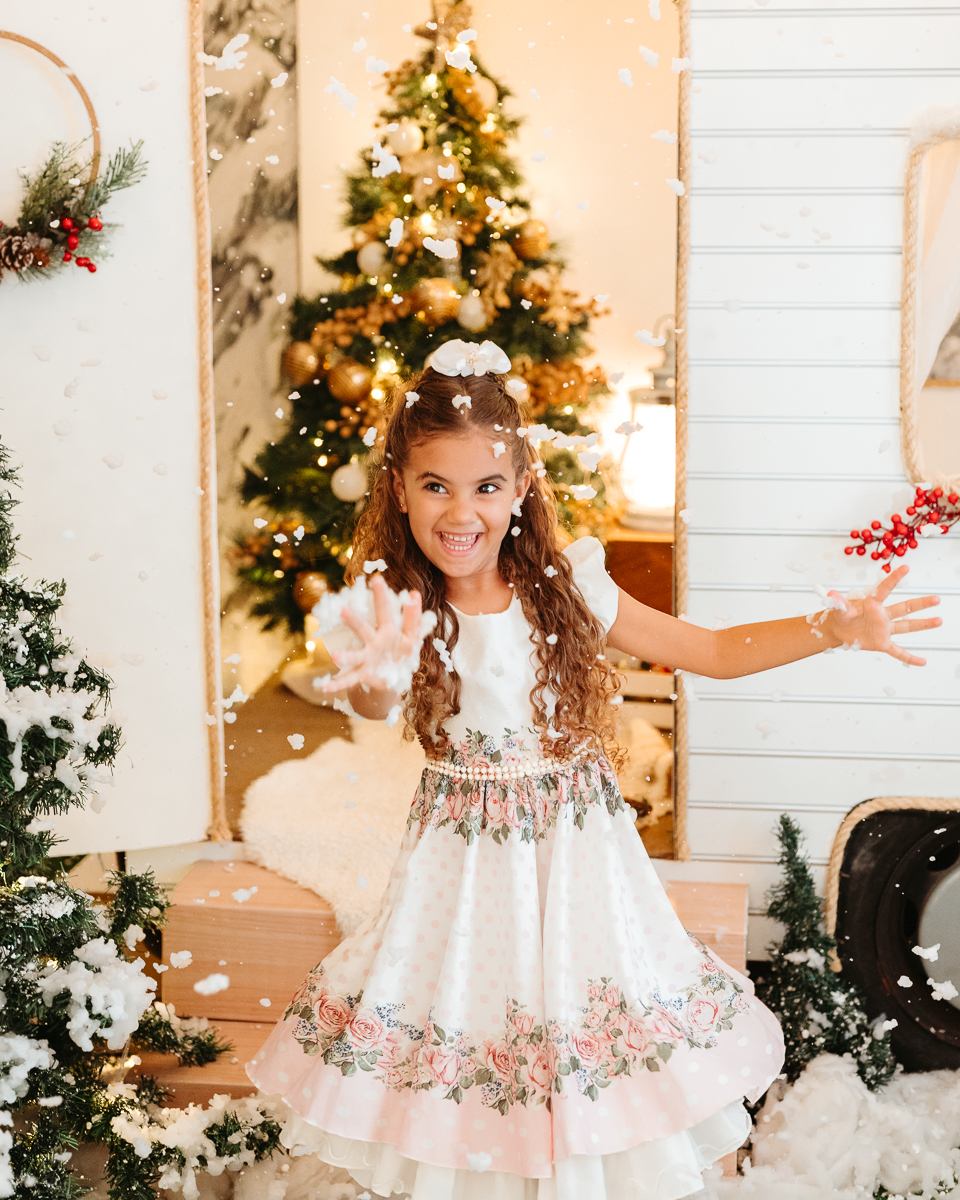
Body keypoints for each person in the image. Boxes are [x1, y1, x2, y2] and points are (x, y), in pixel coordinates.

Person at [246, 338, 942, 1200]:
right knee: (471, 1037)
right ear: (399, 487)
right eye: (436, 486)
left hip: (579, 862)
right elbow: (373, 703)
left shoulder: (565, 587)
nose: (462, 512)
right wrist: (380, 684)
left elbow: (713, 653)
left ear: (520, 488)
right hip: (462, 873)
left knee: (580, 1032)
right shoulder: (393, 606)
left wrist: (832, 627)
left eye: (486, 487)